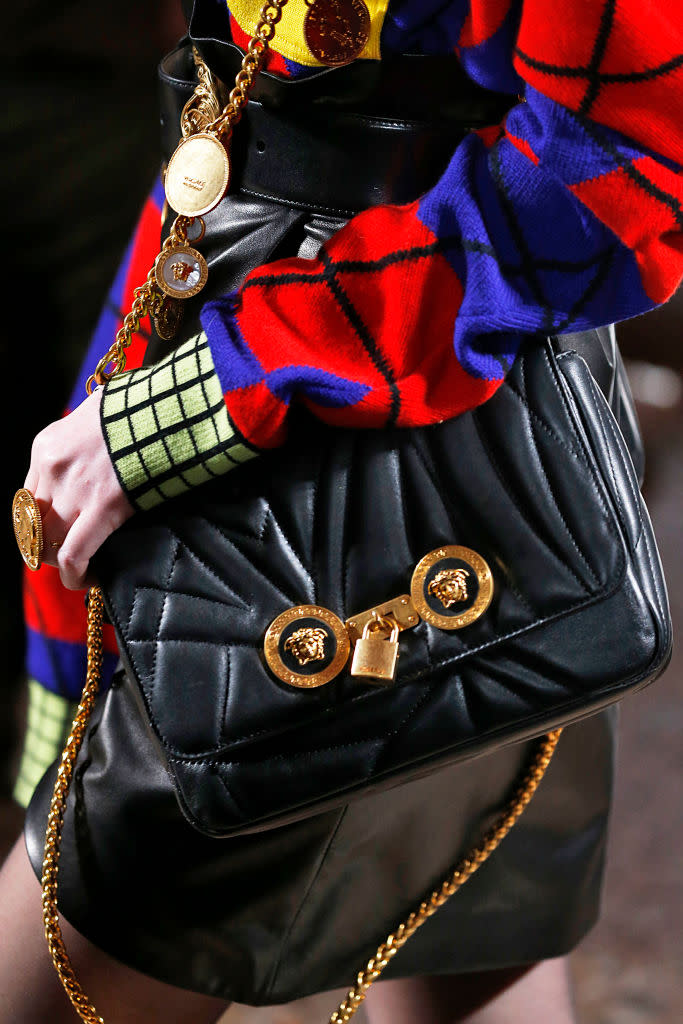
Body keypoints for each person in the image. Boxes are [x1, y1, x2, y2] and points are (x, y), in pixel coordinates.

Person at [2, 1, 682, 1022]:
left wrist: (205, 399)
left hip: (390, 414)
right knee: (467, 939)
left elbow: (622, 176)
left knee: (58, 962)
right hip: (261, 288)